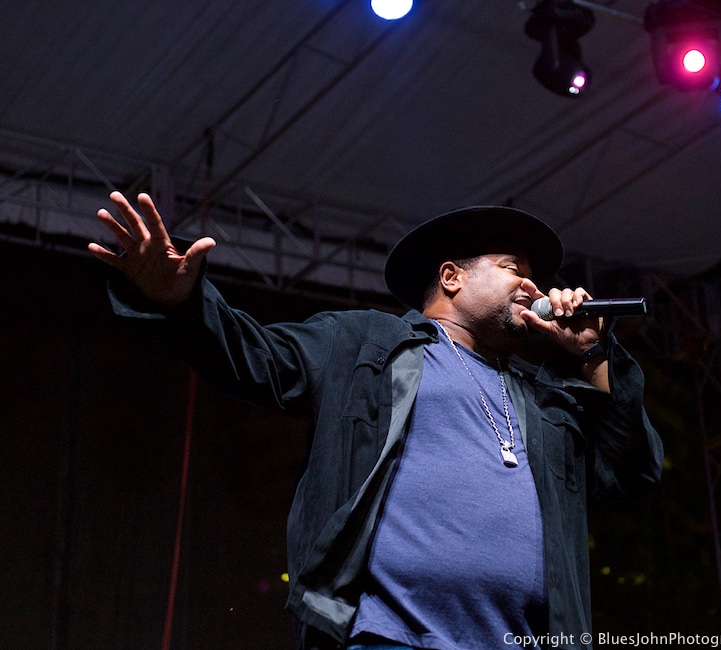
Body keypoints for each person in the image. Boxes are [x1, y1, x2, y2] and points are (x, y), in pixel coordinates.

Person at [89, 192, 663, 650]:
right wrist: (180, 301)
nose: (533, 288)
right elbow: (254, 357)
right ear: (452, 277)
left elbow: (633, 472)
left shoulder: (544, 403)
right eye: (514, 269)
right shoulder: (367, 344)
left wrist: (593, 356)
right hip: (387, 637)